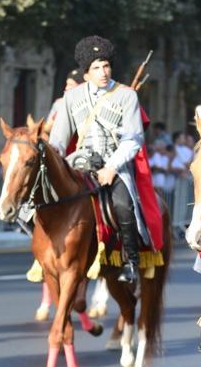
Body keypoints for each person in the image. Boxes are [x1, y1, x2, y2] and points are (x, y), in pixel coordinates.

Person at [49, 36, 153, 286]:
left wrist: (112, 167)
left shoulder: (126, 96)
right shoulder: (71, 98)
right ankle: (46, 252)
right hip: (80, 163)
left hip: (113, 165)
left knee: (123, 205)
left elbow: (133, 138)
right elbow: (58, 141)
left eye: (106, 65)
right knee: (47, 199)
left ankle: (131, 262)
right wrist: (54, 168)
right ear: (85, 74)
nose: (103, 72)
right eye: (96, 67)